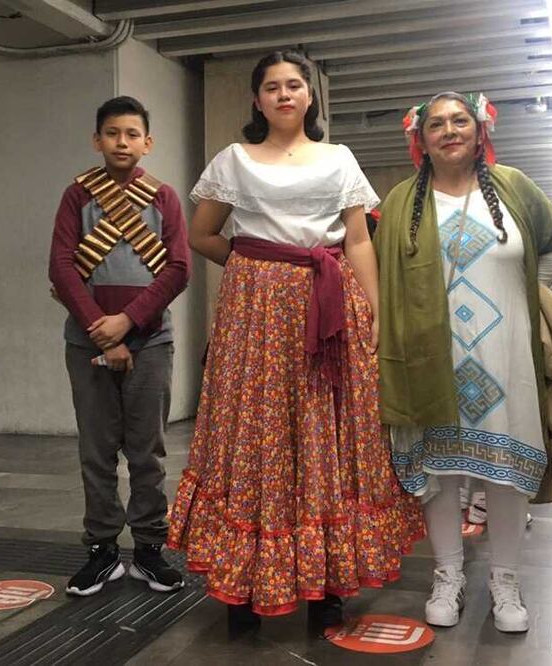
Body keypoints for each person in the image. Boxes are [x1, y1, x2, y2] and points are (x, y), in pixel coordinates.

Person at [166, 51, 422, 634]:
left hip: (328, 302)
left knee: (324, 430)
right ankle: (242, 582)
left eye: (294, 85)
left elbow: (357, 240)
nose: (284, 95)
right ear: (257, 100)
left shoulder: (339, 159)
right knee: (252, 429)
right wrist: (256, 266)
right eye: (272, 87)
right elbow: (202, 233)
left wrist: (374, 309)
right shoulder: (234, 160)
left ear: (310, 97)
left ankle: (326, 583)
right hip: (254, 311)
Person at [375, 91, 552, 633]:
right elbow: (382, 279)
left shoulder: (513, 187)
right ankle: (447, 575)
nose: (449, 130)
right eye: (436, 124)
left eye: (459, 120)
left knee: (505, 471)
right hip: (429, 356)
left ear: (479, 128)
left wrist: (533, 295)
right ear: (421, 138)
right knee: (439, 471)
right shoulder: (401, 202)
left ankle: (506, 582)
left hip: (506, 354)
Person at [49, 96, 190, 597]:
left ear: (147, 143)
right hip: (87, 341)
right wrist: (100, 329)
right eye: (112, 133)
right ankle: (102, 551)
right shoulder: (77, 196)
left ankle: (150, 548)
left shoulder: (163, 198)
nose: (122, 142)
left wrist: (127, 323)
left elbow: (178, 269)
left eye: (132, 134)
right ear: (97, 140)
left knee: (148, 451)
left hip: (150, 341)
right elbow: (61, 267)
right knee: (97, 450)